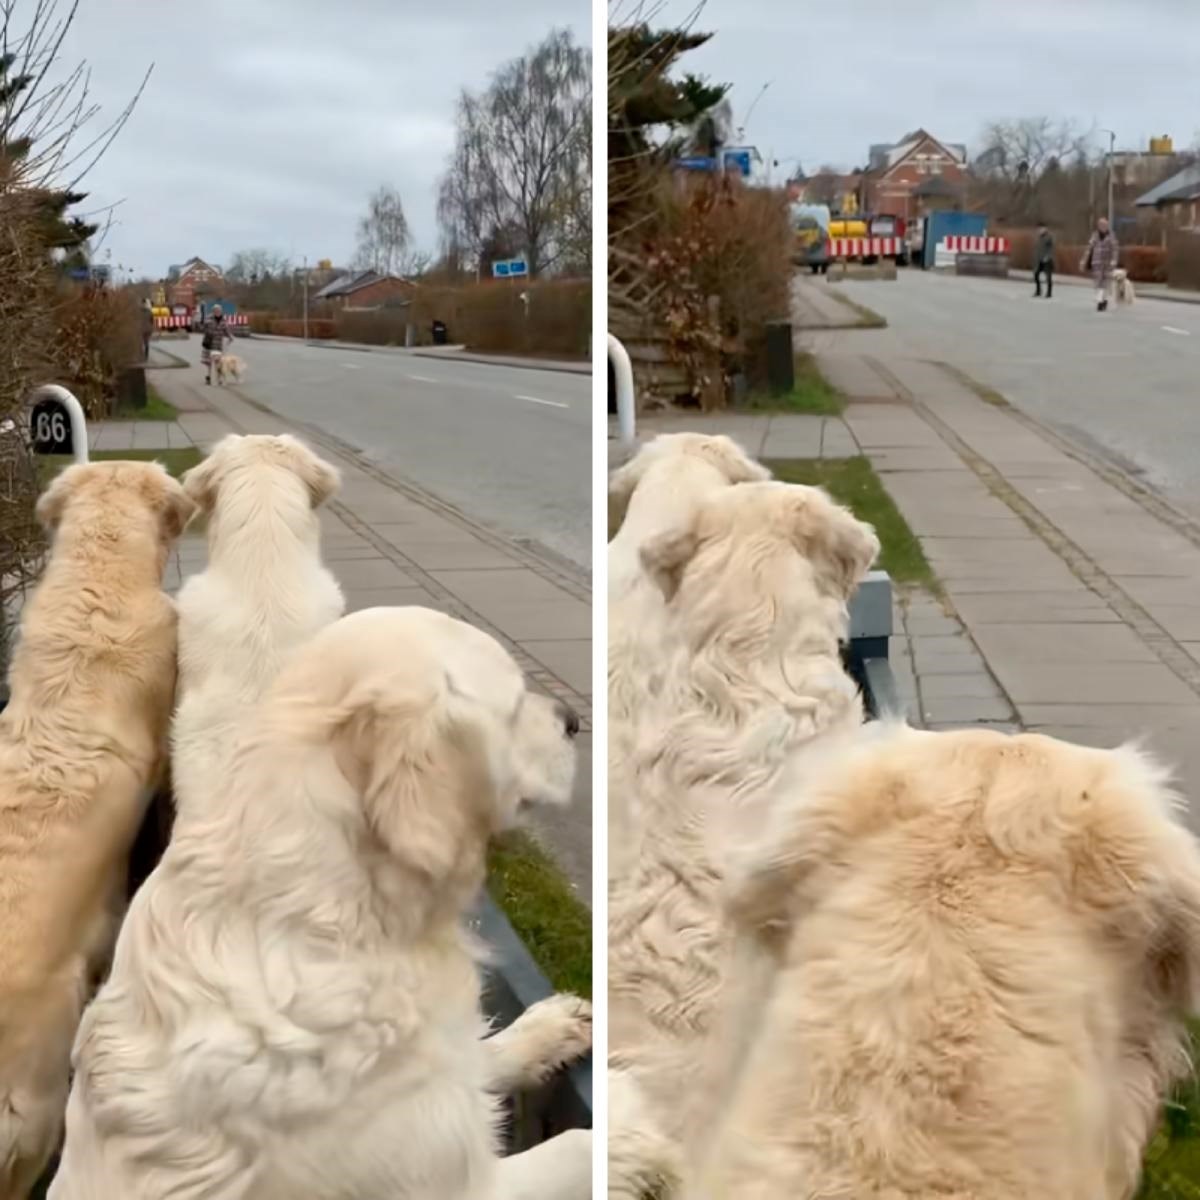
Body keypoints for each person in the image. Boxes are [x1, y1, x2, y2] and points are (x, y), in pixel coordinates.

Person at [1082, 217, 1119, 312]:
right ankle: (1100, 301)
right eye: (1101, 225)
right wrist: (1084, 260)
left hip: (1107, 263)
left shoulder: (1111, 235)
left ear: (1107, 225)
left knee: (1106, 283)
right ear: (1098, 226)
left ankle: (1103, 300)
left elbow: (1115, 248)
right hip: (1097, 262)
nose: (1103, 226)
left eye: (1105, 225)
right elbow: (1089, 248)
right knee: (1098, 282)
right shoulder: (1095, 235)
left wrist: (1114, 260)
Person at [199, 303, 235, 384]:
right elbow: (202, 328)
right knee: (208, 362)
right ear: (213, 311)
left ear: (221, 311)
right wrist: (203, 326)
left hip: (218, 344)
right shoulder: (208, 319)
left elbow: (226, 330)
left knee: (218, 362)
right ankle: (208, 377)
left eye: (219, 310)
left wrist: (230, 336)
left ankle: (219, 379)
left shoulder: (223, 320)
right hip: (209, 344)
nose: (218, 312)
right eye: (216, 310)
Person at [1033, 223, 1055, 298]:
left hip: (1047, 260)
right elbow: (1037, 249)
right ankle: (1038, 291)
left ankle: (1049, 293)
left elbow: (1051, 248)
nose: (1040, 230)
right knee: (1036, 275)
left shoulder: (1049, 237)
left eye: (1042, 229)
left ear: (1046, 229)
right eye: (1039, 229)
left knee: (1048, 277)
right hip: (1039, 260)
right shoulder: (1039, 238)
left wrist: (1048, 256)